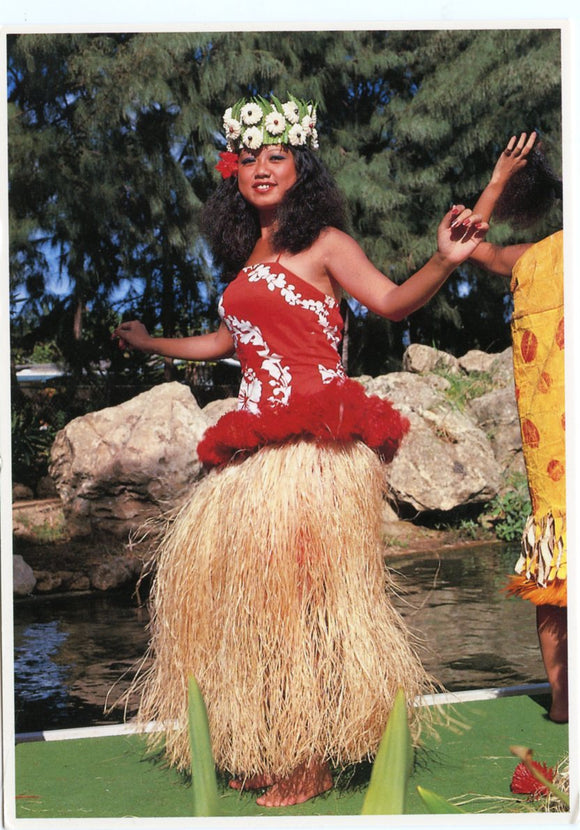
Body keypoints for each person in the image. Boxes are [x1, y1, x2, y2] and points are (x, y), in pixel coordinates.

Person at [113, 93, 488, 807]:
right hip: (255, 449)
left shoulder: (326, 244)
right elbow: (229, 344)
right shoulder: (247, 252)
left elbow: (393, 301)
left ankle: (313, 757)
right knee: (252, 600)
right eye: (248, 158)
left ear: (301, 168)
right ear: (234, 173)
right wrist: (151, 343)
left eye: (275, 157)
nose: (260, 168)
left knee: (307, 597)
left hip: (315, 446)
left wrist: (443, 261)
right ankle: (277, 738)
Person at [469, 132, 567, 723]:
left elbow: (470, 245)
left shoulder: (533, 258)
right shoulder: (535, 257)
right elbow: (469, 247)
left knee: (557, 566)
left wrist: (500, 179)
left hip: (553, 458)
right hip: (554, 451)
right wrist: (501, 177)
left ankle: (562, 702)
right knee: (558, 570)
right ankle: (563, 699)